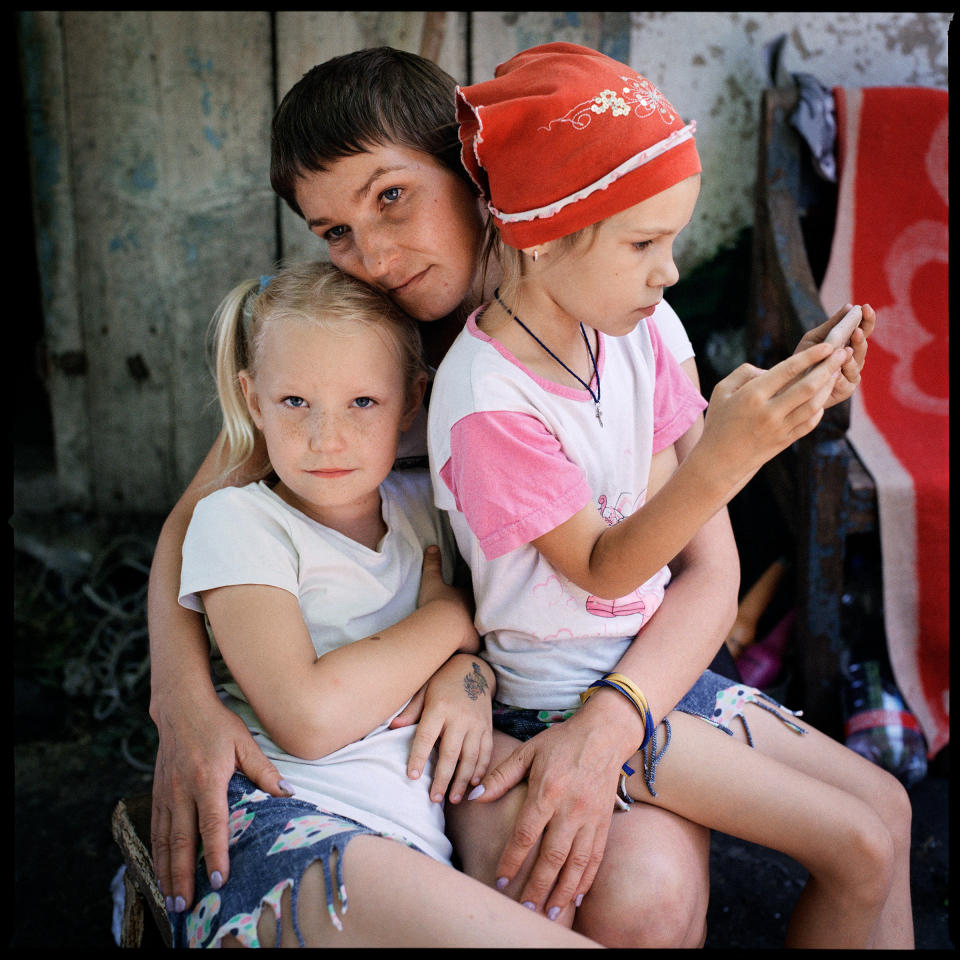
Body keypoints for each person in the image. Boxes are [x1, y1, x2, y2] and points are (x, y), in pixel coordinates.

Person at [145, 47, 869, 947]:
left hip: (630, 671)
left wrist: (612, 720)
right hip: (470, 695)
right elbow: (196, 521)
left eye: (392, 196)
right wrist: (179, 702)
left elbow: (709, 569)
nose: (370, 253)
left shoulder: (617, 307)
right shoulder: (350, 357)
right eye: (334, 230)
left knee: (650, 902)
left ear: (474, 171)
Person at [426, 42, 913, 948]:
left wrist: (781, 407)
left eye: (674, 238)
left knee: (889, 809)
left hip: (666, 671)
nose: (671, 270)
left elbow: (678, 521)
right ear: (542, 235)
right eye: (644, 243)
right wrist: (727, 457)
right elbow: (605, 569)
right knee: (861, 846)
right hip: (565, 700)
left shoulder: (637, 327)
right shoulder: (487, 400)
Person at [170, 259, 599, 947]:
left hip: (417, 815)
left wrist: (469, 683)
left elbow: (479, 658)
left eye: (362, 403)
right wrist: (450, 618)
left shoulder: (424, 510)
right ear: (253, 400)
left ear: (412, 402)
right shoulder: (238, 524)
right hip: (291, 817)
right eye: (294, 403)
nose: (325, 437)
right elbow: (309, 718)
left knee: (542, 877)